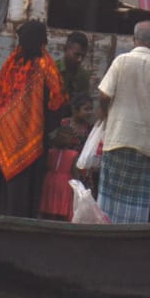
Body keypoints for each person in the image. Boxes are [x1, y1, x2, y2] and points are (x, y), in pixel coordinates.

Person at [96, 20, 150, 224]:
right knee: (136, 202)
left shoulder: (120, 61)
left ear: (134, 40)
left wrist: (104, 114)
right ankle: (130, 237)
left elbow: (104, 95)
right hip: (144, 143)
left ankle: (105, 234)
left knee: (109, 197)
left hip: (117, 138)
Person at [0, 20, 68, 218]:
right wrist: (42, 130)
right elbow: (57, 103)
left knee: (5, 186)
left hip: (6, 138)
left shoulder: (11, 62)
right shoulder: (46, 66)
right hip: (34, 140)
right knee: (26, 188)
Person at [39, 92, 94, 221]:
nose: (90, 112)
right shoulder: (63, 124)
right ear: (75, 110)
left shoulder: (89, 129)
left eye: (91, 109)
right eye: (86, 109)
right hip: (64, 168)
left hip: (82, 169)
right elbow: (52, 140)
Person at [56, 31, 91, 102]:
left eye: (83, 56)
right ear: (65, 49)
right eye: (76, 54)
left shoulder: (84, 76)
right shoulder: (52, 69)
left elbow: (83, 104)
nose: (80, 59)